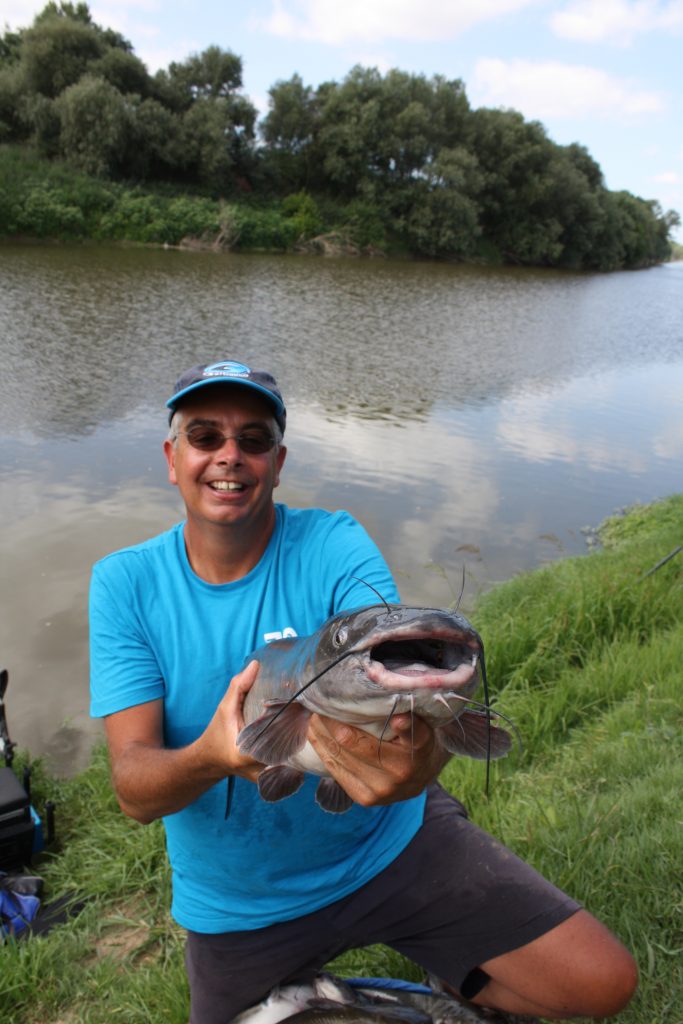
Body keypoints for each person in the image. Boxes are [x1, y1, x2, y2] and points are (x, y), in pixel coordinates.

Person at [90, 359, 637, 1024]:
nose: (229, 456)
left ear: (278, 460)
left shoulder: (333, 539)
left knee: (600, 985)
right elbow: (133, 790)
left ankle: (445, 972)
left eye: (254, 439)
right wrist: (213, 756)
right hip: (242, 899)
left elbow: (385, 637)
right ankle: (322, 992)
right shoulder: (124, 584)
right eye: (204, 436)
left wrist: (420, 758)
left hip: (391, 845)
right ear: (171, 456)